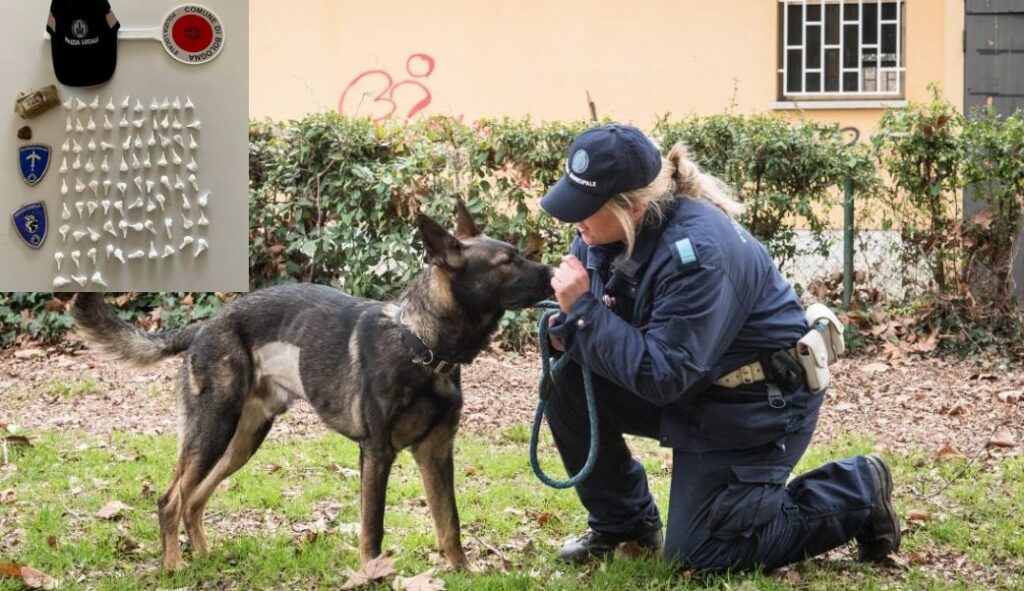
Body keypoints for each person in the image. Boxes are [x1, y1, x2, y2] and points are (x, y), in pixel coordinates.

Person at [538, 123, 900, 572]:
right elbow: (624, 337)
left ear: (634, 208)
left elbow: (665, 375)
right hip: (700, 385)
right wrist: (569, 325)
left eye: (587, 208)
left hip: (756, 402)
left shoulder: (697, 252)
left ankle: (857, 489)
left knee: (702, 558)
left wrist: (586, 315)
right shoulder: (605, 233)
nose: (576, 220)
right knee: (568, 378)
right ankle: (624, 525)